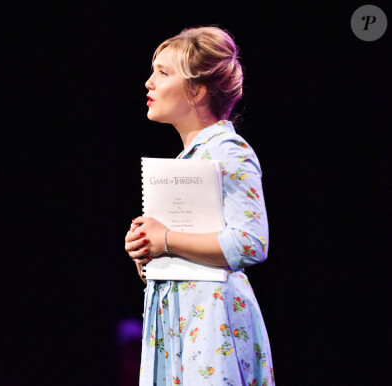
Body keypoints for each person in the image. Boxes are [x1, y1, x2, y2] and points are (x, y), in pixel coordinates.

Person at [124, 26, 274, 385]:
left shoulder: (227, 151)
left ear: (196, 89)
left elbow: (251, 243)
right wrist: (147, 253)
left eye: (162, 73)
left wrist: (167, 240)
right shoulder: (187, 161)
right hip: (177, 322)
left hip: (211, 323)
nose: (149, 83)